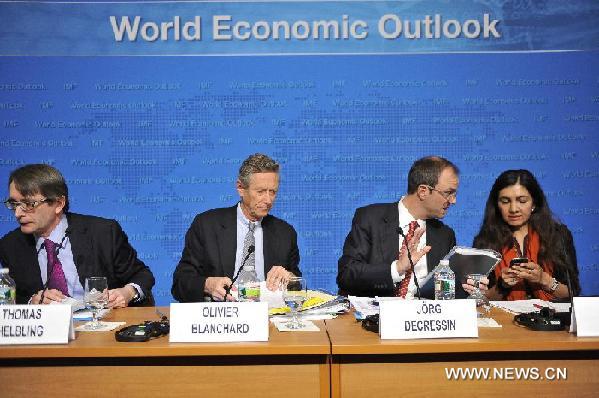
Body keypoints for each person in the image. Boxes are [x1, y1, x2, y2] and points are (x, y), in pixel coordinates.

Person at [0, 164, 155, 306]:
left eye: (28, 204)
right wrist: (32, 302)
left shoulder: (103, 233)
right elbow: (11, 297)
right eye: (14, 204)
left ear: (59, 204)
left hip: (104, 324)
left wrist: (127, 293)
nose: (18, 213)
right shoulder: (10, 246)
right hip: (48, 331)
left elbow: (142, 275)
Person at [338, 156, 474, 299]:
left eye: (454, 194)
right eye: (448, 193)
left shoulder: (444, 235)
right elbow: (346, 275)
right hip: (378, 316)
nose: (453, 201)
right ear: (423, 191)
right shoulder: (370, 219)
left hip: (425, 319)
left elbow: (445, 293)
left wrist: (466, 287)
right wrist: (397, 268)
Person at [172, 153, 301, 302]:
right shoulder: (206, 225)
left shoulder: (285, 233)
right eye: (260, 192)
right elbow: (180, 283)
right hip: (222, 318)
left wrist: (289, 279)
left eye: (272, 192)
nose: (268, 200)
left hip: (268, 317)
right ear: (240, 188)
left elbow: (297, 287)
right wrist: (207, 285)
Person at [473, 169, 580, 300]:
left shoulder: (558, 235)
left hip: (551, 317)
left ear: (534, 203)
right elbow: (479, 299)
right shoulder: (484, 241)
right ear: (497, 204)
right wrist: (502, 285)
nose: (513, 209)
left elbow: (573, 293)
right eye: (505, 201)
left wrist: (544, 279)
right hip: (502, 318)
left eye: (522, 201)